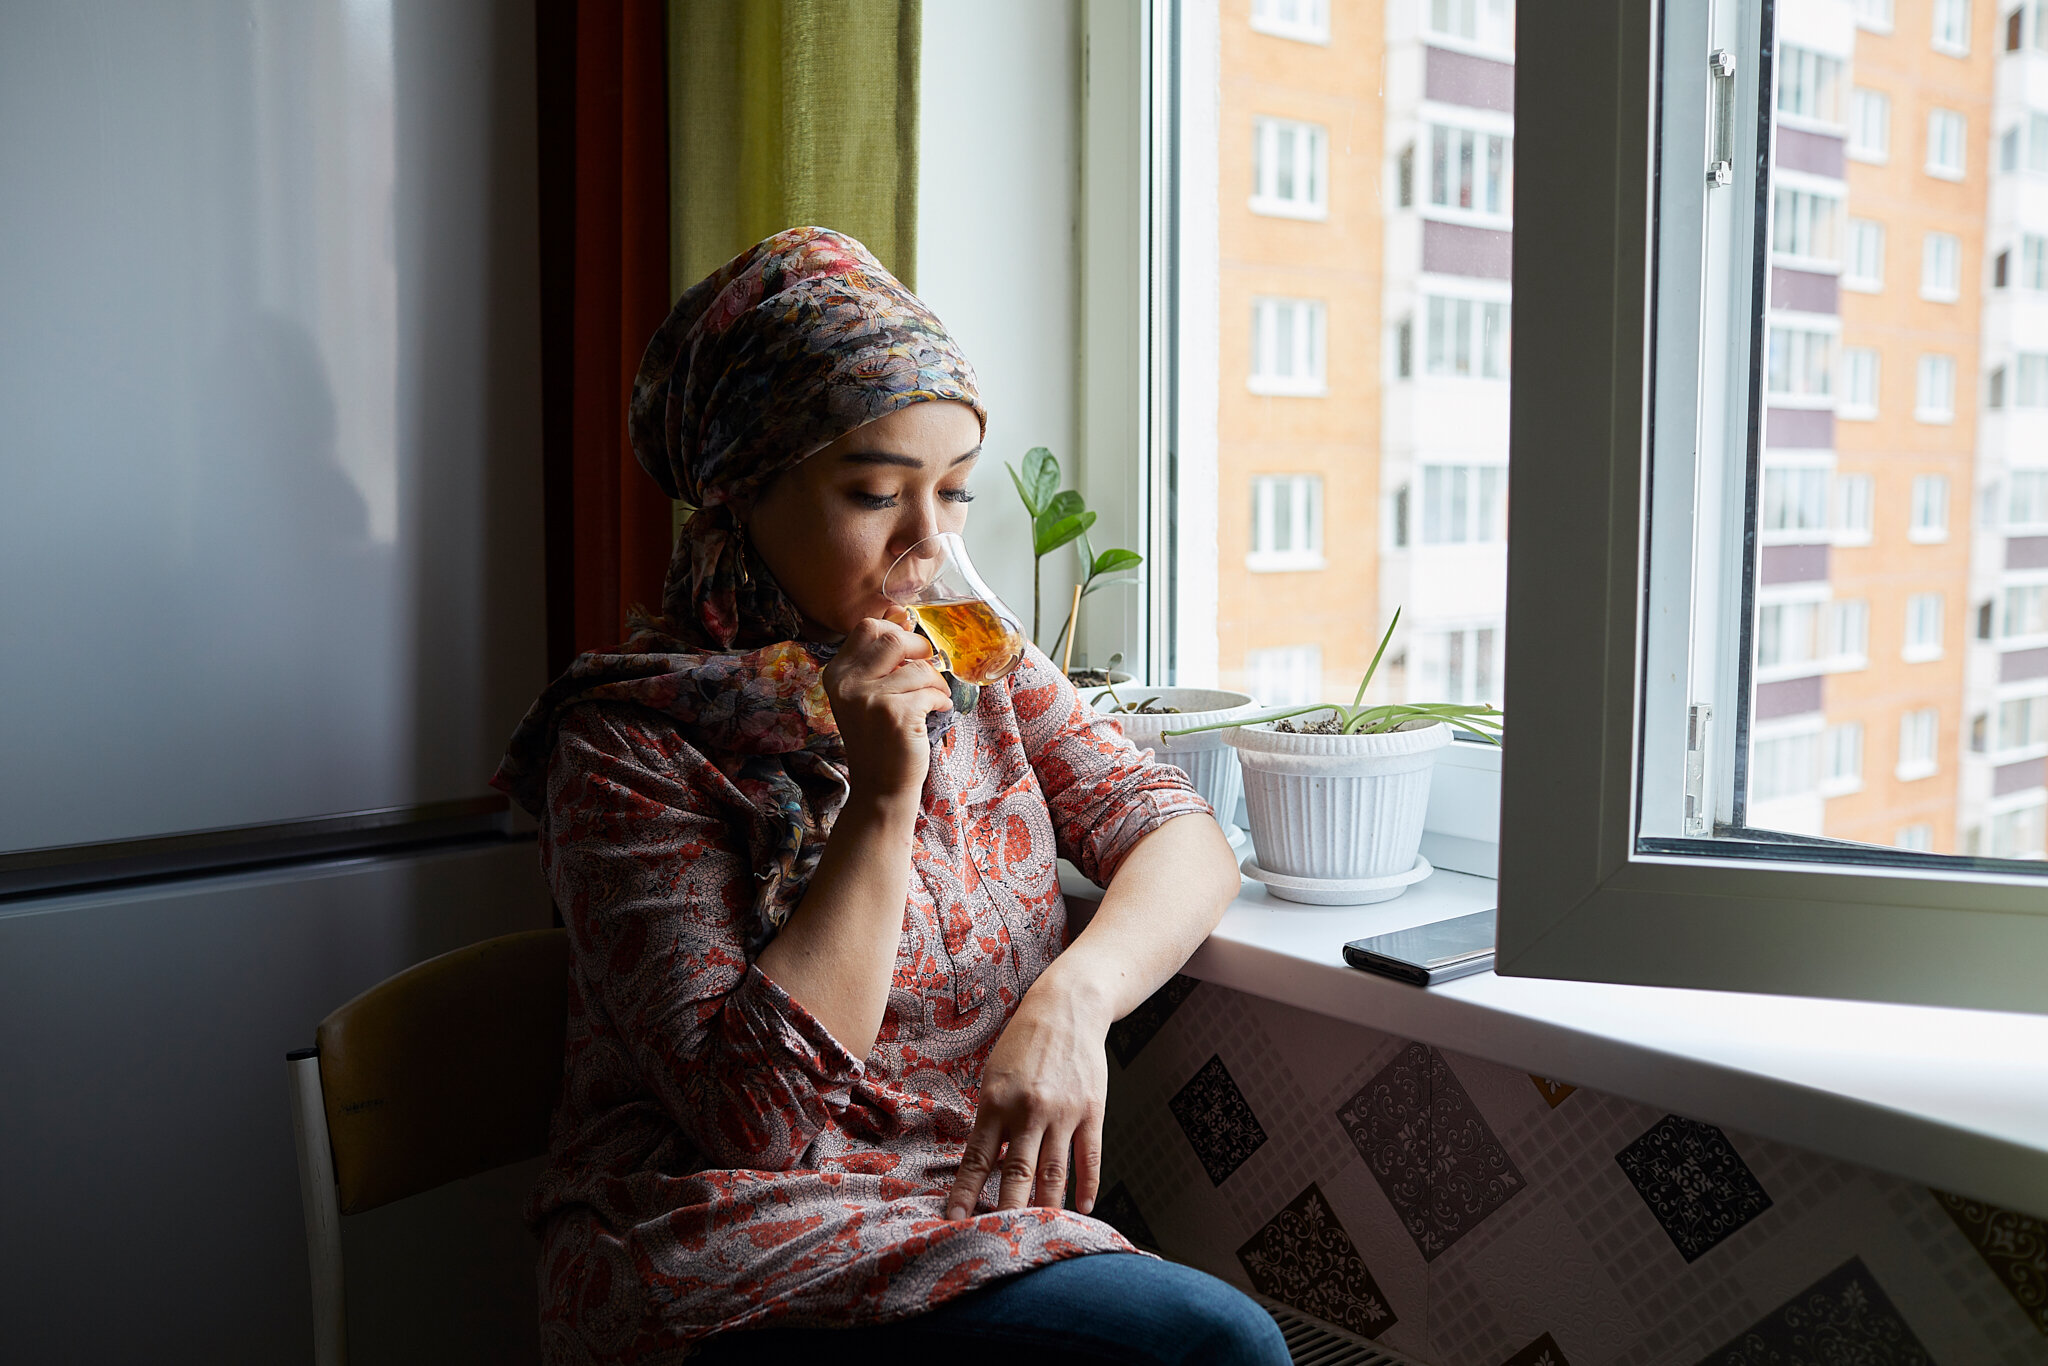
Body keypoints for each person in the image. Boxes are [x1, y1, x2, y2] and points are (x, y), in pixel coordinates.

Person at [494, 227, 1287, 1365]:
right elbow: (755, 1122)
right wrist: (880, 792)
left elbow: (1175, 831)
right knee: (1209, 1346)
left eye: (954, 493)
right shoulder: (628, 742)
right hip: (728, 1243)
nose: (927, 543)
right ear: (742, 492)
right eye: (875, 492)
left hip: (963, 1207)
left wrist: (1072, 1004)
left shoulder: (973, 654)